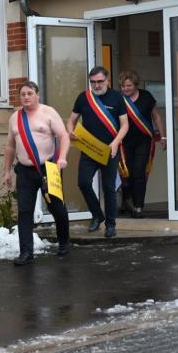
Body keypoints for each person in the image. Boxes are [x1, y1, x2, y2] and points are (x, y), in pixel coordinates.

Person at [3, 81, 71, 265]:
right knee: (24, 211)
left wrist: (62, 158)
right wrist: (7, 171)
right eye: (23, 94)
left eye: (30, 93)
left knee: (57, 208)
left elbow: (63, 136)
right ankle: (26, 252)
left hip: (48, 168)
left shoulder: (48, 112)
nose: (26, 97)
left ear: (37, 95)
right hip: (24, 171)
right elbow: (10, 146)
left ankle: (64, 242)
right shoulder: (15, 118)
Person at [66, 66, 129, 238]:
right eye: (93, 82)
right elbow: (71, 120)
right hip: (89, 149)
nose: (96, 85)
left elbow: (125, 125)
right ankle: (97, 214)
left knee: (109, 188)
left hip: (109, 150)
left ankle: (110, 224)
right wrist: (70, 131)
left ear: (107, 81)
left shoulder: (117, 98)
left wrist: (116, 143)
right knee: (83, 183)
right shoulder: (83, 98)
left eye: (100, 81)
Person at [118, 70, 167, 218]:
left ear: (135, 85)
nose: (125, 89)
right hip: (124, 142)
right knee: (127, 174)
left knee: (139, 173)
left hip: (143, 141)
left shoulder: (146, 97)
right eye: (123, 86)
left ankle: (139, 206)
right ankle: (128, 201)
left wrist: (163, 136)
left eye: (128, 85)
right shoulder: (118, 99)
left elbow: (156, 116)